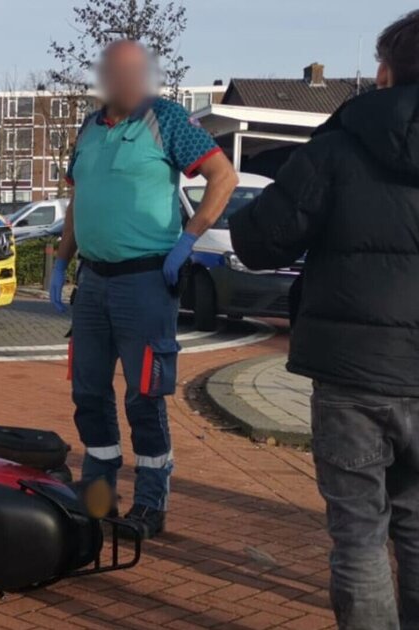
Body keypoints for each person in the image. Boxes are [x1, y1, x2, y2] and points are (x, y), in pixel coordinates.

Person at [229, 11, 419, 629]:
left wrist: (256, 199)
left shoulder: (340, 145)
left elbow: (262, 244)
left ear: (387, 70)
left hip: (354, 374)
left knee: (361, 535)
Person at [49, 40, 237, 539]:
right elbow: (78, 201)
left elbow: (224, 177)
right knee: (88, 392)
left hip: (146, 283)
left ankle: (151, 504)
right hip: (93, 284)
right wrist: (61, 262)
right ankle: (98, 498)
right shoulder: (88, 129)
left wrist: (188, 239)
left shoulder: (168, 119)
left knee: (144, 397)